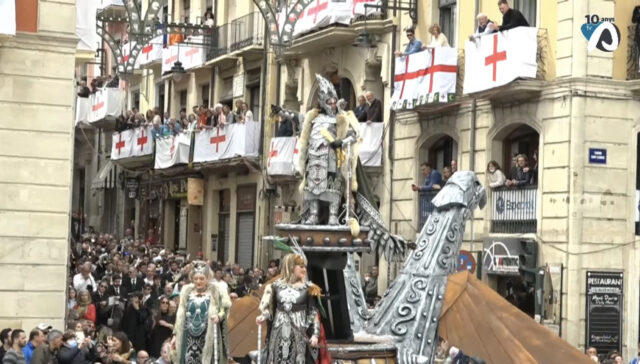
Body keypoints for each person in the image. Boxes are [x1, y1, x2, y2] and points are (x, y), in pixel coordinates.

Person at [297, 74, 360, 225]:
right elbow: (304, 136)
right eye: (329, 102)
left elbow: (354, 135)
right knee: (312, 187)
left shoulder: (341, 118)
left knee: (333, 186)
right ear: (322, 102)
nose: (332, 105)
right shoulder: (314, 119)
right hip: (313, 156)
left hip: (332, 156)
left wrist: (341, 141)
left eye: (333, 102)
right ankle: (313, 215)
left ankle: (333, 215)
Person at [256, 253, 326, 364]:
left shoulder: (308, 288)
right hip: (278, 334)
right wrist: (263, 316)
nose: (304, 269)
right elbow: (272, 310)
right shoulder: (276, 287)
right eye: (301, 266)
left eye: (304, 266)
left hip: (299, 336)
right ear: (291, 266)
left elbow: (314, 314)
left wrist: (315, 335)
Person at [170, 261, 231, 364]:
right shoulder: (187, 292)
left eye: (202, 279)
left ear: (207, 278)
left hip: (208, 335)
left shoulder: (215, 291)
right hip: (188, 336)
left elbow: (224, 309)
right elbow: (180, 316)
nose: (198, 281)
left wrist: (218, 317)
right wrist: (175, 335)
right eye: (196, 279)